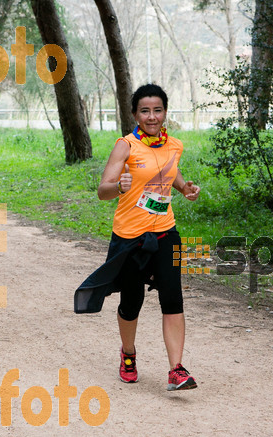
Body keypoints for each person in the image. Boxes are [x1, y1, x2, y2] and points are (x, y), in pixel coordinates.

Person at [75, 84, 201, 391]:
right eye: (145, 111)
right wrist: (119, 186)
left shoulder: (174, 145)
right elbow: (102, 190)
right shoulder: (126, 146)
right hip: (131, 236)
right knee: (132, 302)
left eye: (157, 110)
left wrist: (184, 188)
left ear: (165, 113)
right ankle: (128, 354)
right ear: (135, 114)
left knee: (173, 298)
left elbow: (170, 170)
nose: (152, 116)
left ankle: (176, 369)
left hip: (165, 233)